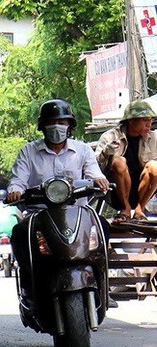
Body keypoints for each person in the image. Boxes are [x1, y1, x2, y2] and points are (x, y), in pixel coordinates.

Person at [7, 99, 116, 306]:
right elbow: (18, 180)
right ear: (43, 126)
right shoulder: (28, 152)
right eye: (51, 122)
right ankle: (28, 286)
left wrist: (99, 180)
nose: (57, 127)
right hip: (40, 215)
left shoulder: (83, 150)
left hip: (77, 213)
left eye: (63, 122)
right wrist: (15, 191)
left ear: (70, 126)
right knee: (20, 233)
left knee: (102, 226)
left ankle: (102, 284)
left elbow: (94, 174)